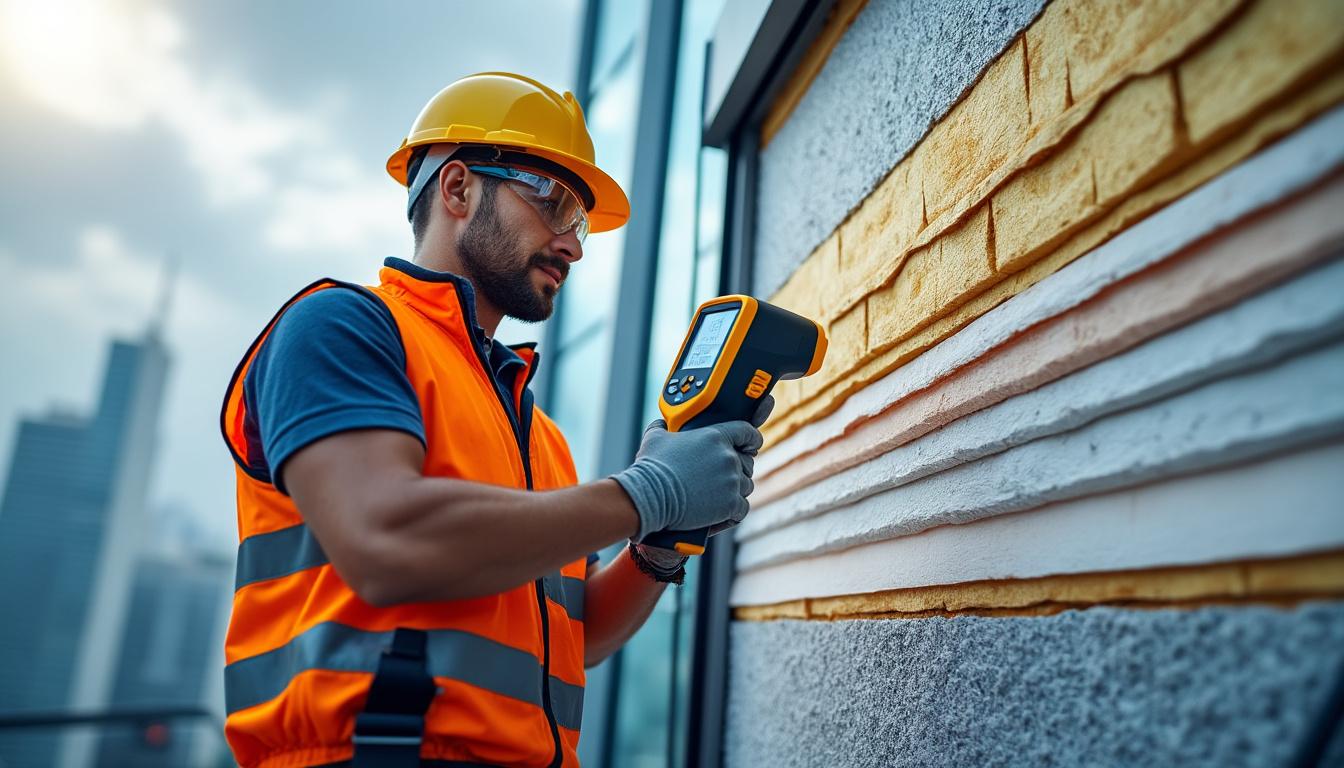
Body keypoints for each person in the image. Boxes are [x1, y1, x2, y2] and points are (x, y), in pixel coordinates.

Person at [218, 72, 768, 768]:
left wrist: (658, 546)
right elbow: (385, 541)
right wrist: (645, 493)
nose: (572, 244)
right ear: (457, 189)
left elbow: (577, 634)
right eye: (557, 205)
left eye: (581, 226)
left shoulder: (538, 432)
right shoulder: (343, 327)